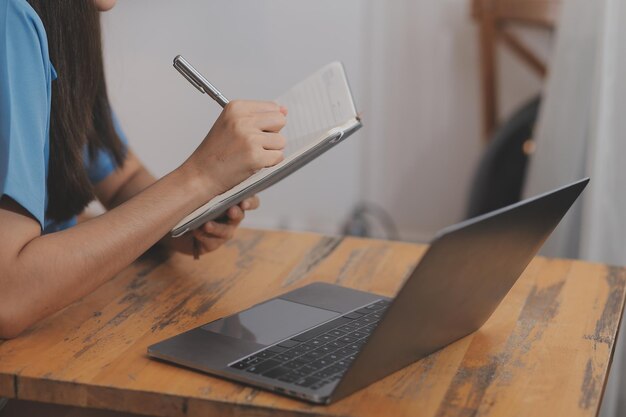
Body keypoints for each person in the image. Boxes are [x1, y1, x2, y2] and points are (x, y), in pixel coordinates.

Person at [0, 0, 288, 340]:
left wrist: (184, 218)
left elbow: (120, 178)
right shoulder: (9, 18)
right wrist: (200, 177)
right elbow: (10, 296)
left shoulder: (66, 21)